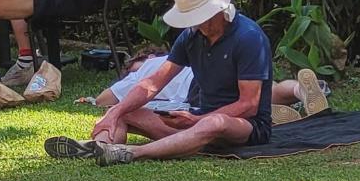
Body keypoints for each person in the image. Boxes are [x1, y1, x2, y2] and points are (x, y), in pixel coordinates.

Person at [45, 0, 278, 165]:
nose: (196, 24)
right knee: (124, 109)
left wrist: (198, 120)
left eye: (200, 17)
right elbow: (153, 82)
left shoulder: (248, 37)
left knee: (213, 123)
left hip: (243, 128)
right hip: (196, 123)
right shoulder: (191, 36)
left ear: (218, 9)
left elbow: (248, 105)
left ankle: (132, 152)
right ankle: (102, 146)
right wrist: (113, 112)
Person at [95, 44, 329, 124]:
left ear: (142, 59)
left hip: (199, 87)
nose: (128, 70)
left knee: (228, 109)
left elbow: (104, 99)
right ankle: (301, 90)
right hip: (216, 69)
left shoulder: (143, 70)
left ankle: (264, 116)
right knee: (270, 90)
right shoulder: (174, 58)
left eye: (130, 66)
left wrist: (128, 79)